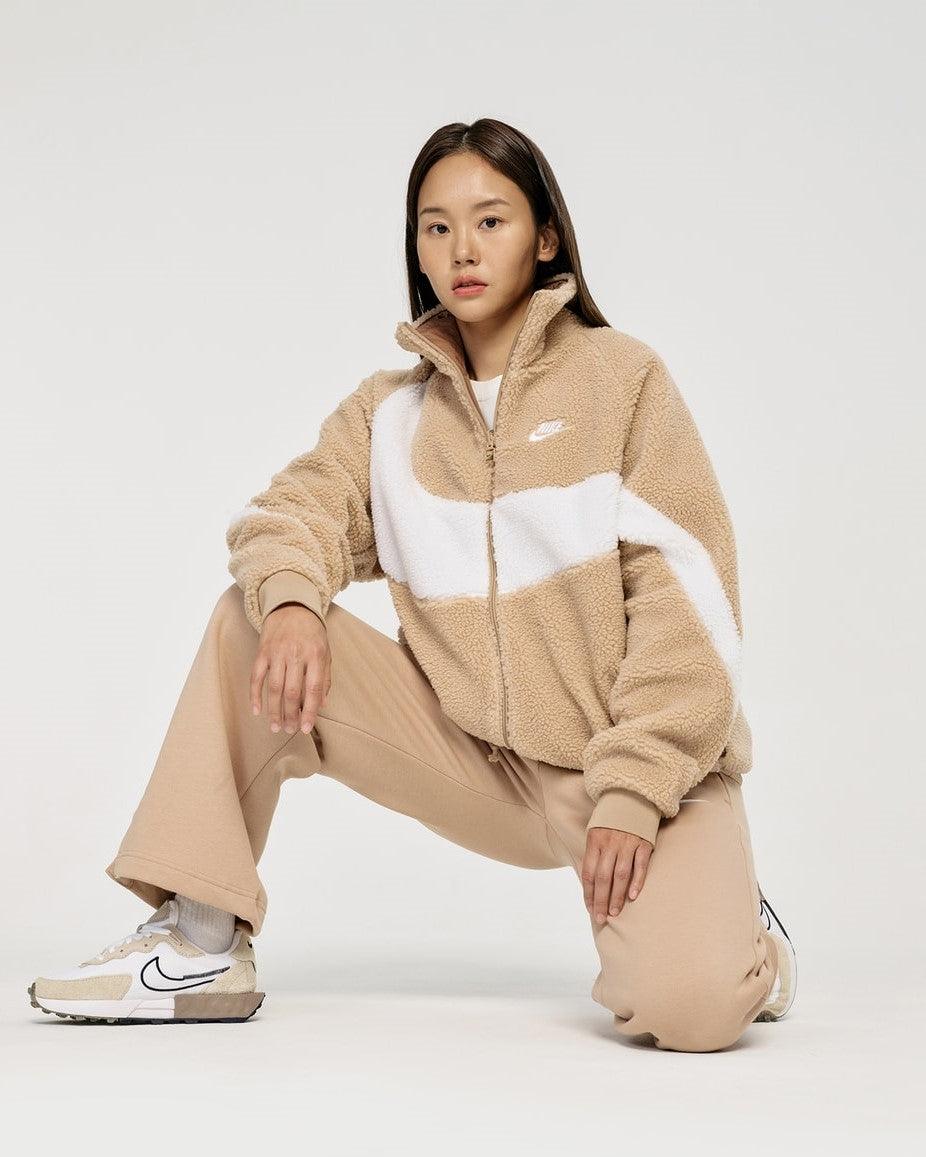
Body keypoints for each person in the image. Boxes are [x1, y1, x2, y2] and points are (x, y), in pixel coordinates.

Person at [28, 118, 796, 1051]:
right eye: (437, 227)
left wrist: (636, 791)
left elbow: (690, 607)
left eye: (491, 220)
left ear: (545, 238)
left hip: (634, 767)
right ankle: (199, 939)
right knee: (251, 620)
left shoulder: (623, 381)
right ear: (418, 247)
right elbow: (289, 512)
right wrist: (296, 602)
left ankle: (740, 927)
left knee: (694, 1009)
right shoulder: (389, 415)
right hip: (474, 758)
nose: (462, 249)